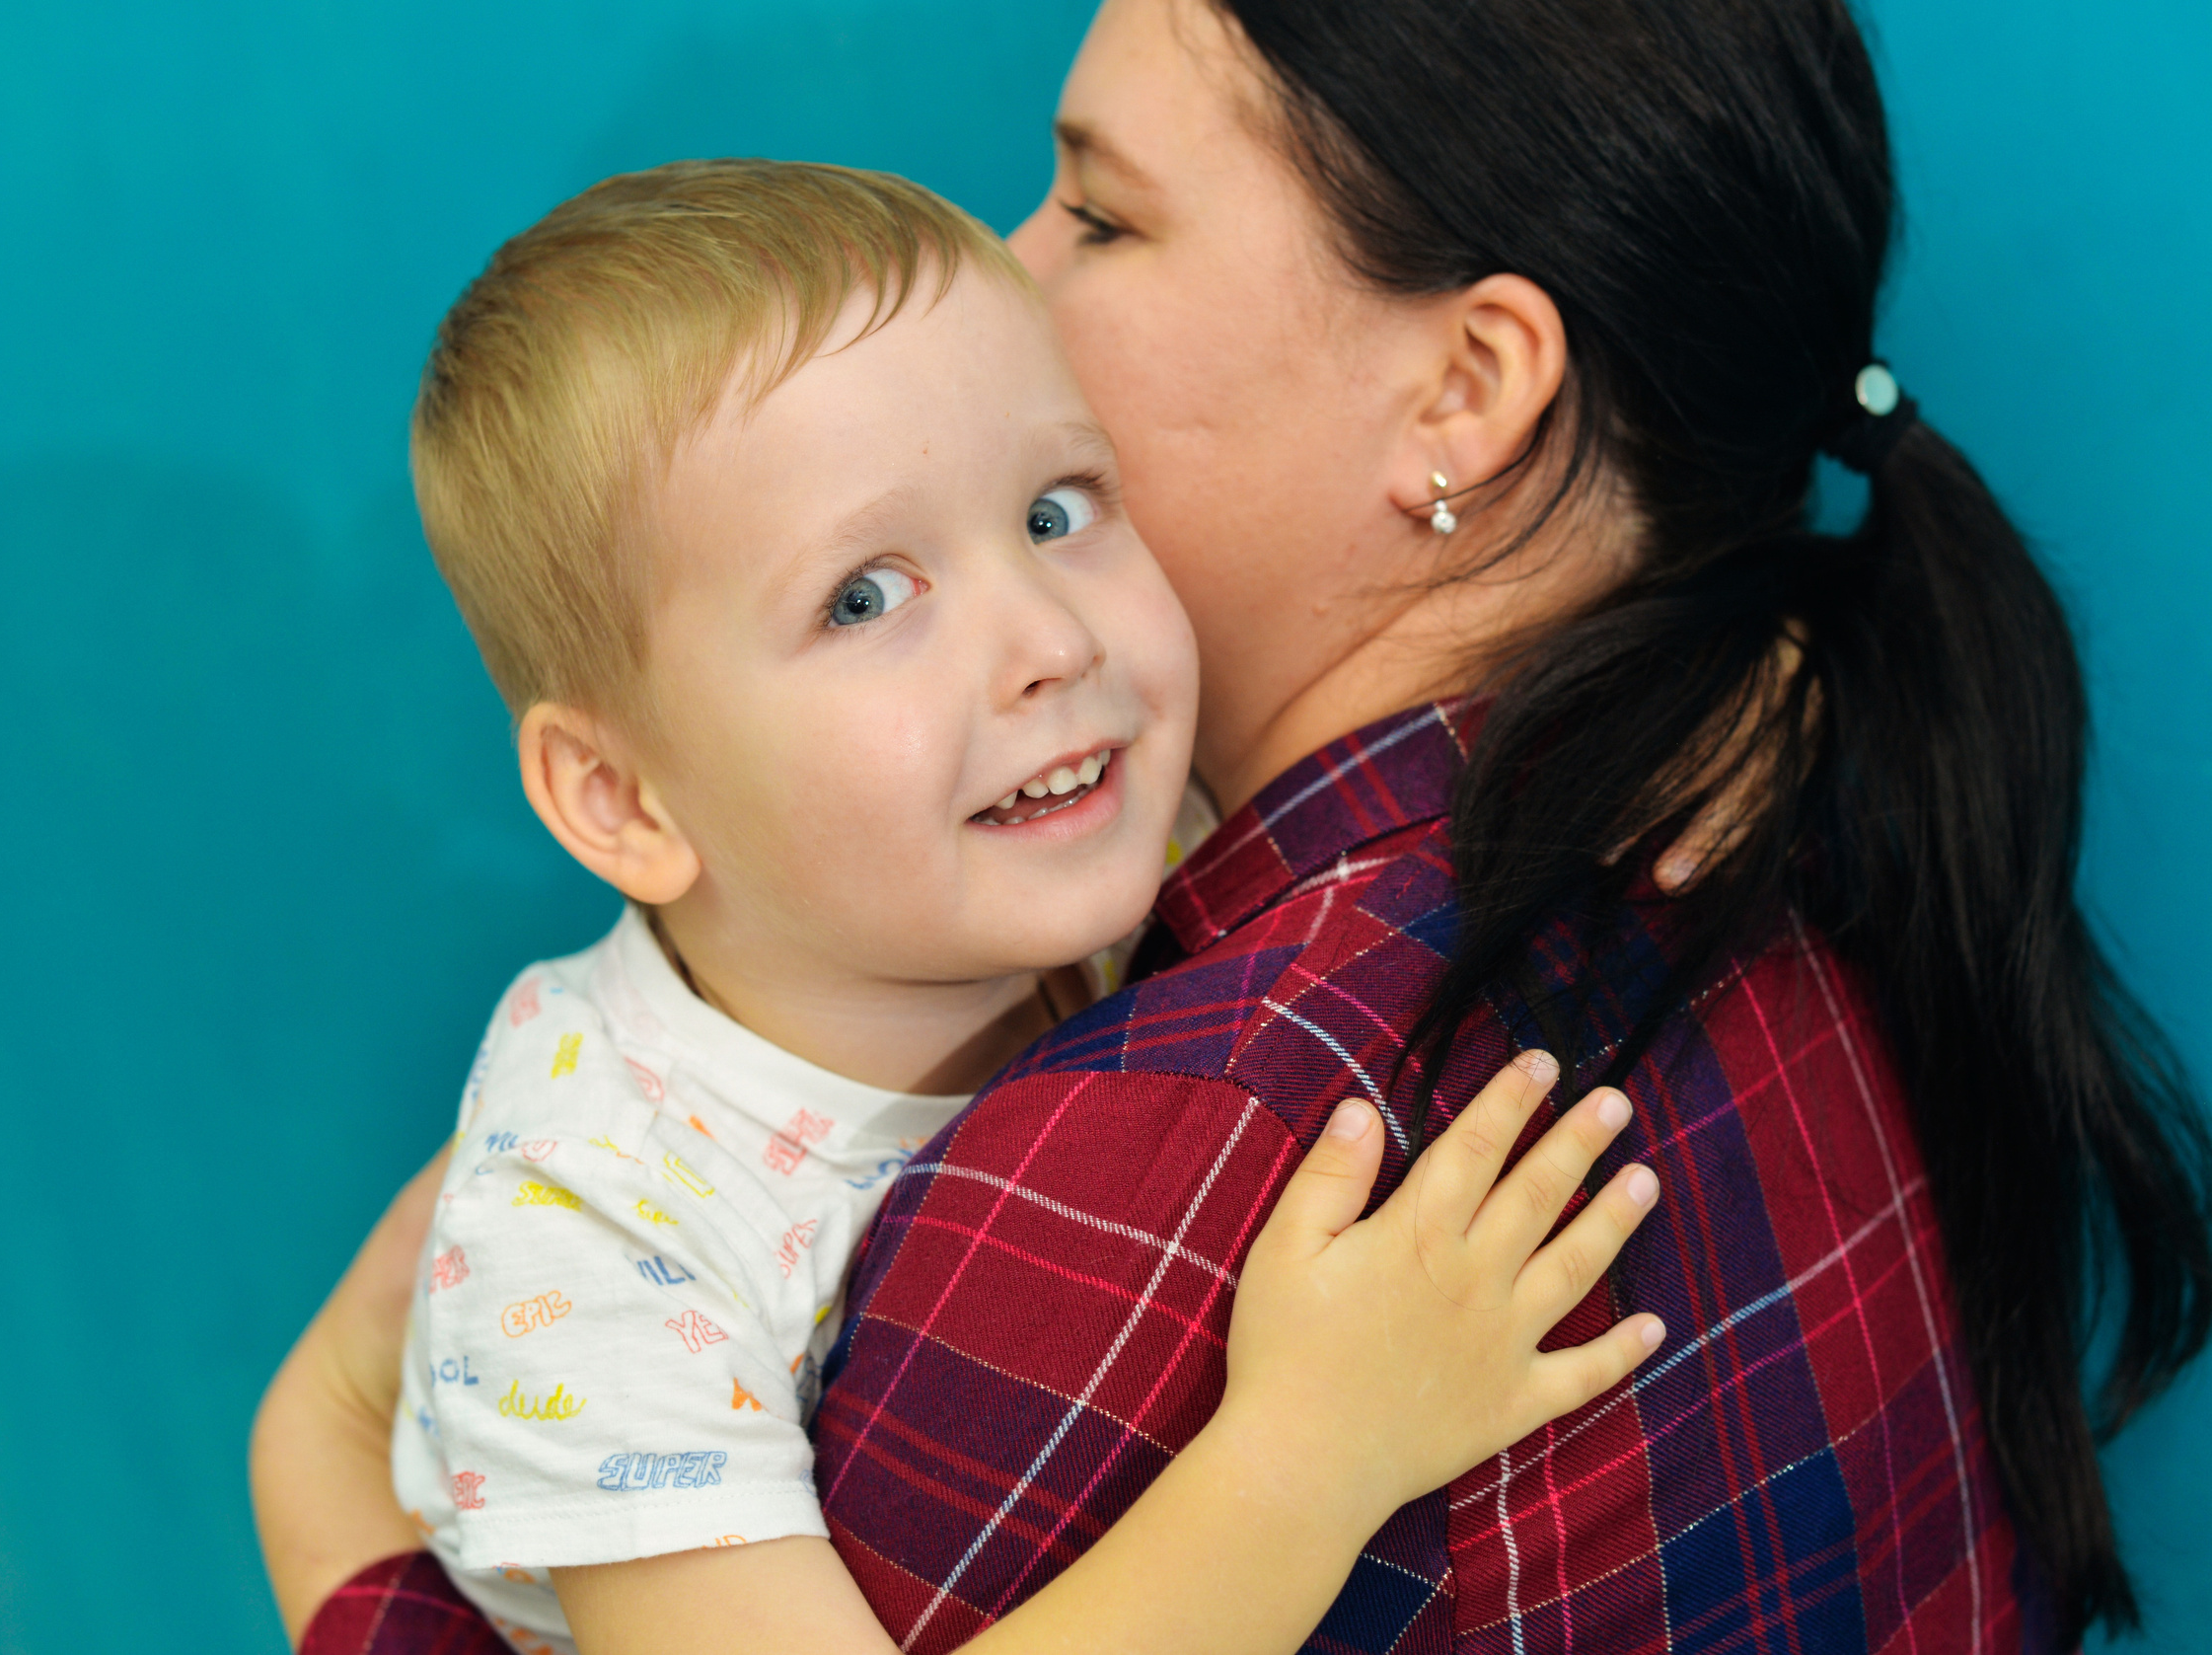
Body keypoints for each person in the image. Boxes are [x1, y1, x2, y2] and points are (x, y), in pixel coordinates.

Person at [257, 0, 2212, 1650]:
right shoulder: (1749, 836)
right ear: (619, 792)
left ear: (1466, 391)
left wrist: (324, 1481)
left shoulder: (1209, 1107)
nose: (1008, 273)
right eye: (861, 592)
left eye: (1097, 219)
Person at [317, 156, 1665, 1655]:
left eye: (1056, 506)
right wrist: (1311, 1454)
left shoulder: (1057, 843)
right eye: (865, 598)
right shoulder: (599, 1233)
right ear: (626, 797)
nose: (1047, 636)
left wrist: (1735, 704)